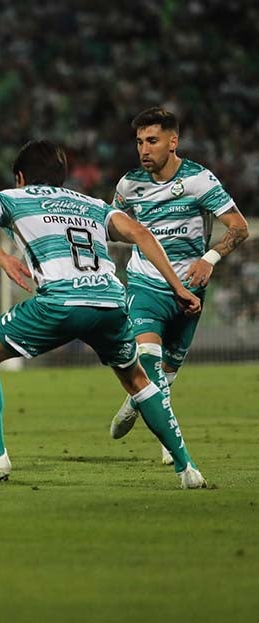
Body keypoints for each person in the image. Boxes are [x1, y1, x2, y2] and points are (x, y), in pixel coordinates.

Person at [0, 139, 207, 489]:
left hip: (61, 303)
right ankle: (187, 469)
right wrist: (178, 286)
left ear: (21, 177)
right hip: (112, 303)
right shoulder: (93, 204)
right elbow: (142, 234)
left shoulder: (16, 197)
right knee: (138, 380)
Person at [109, 107, 250, 463]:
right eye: (140, 141)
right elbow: (115, 227)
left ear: (173, 142)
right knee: (148, 358)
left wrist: (210, 259)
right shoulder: (128, 186)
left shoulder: (200, 180)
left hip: (190, 286)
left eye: (152, 141)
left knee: (167, 373)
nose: (144, 149)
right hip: (144, 283)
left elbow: (239, 227)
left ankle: (135, 400)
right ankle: (170, 442)